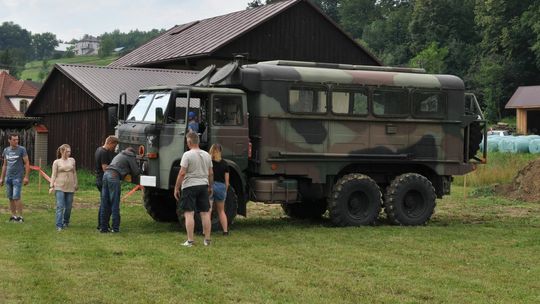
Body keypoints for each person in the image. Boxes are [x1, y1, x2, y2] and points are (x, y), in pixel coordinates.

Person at [174, 132, 213, 247]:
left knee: (189, 213)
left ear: (189, 142)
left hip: (190, 185)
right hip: (203, 185)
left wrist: (177, 187)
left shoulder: (187, 155)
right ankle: (207, 240)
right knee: (205, 213)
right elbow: (210, 173)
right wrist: (210, 186)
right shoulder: (207, 155)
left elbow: (182, 173)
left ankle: (190, 240)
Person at [99, 146, 140, 233]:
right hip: (114, 176)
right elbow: (136, 172)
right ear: (133, 153)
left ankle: (103, 228)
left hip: (105, 175)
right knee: (114, 203)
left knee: (105, 203)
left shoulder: (120, 154)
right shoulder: (130, 156)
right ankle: (115, 228)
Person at [0, 133, 30, 223]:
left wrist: (26, 177)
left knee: (16, 197)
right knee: (10, 197)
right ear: (9, 140)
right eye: (14, 140)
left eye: (17, 139)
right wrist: (1, 178)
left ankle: (20, 217)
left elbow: (27, 163)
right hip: (8, 177)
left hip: (17, 177)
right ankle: (13, 216)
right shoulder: (6, 150)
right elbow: (4, 165)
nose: (16, 141)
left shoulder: (22, 149)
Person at [49, 144, 78, 231]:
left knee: (68, 207)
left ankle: (66, 221)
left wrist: (76, 183)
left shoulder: (72, 160)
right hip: (59, 186)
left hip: (70, 186)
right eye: (67, 151)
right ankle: (59, 225)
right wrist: (51, 185)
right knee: (60, 206)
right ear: (62, 151)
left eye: (70, 151)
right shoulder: (56, 162)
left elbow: (74, 172)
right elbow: (53, 174)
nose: (69, 153)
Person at [95, 135, 118, 230]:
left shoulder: (98, 149)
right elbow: (105, 168)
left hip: (99, 179)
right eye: (114, 145)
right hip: (103, 180)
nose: (114, 148)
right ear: (110, 143)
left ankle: (101, 224)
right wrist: (115, 169)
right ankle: (103, 224)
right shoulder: (104, 152)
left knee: (104, 203)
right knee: (106, 204)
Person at [209, 144, 229, 235]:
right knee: (221, 211)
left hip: (211, 186)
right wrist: (225, 190)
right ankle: (225, 231)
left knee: (208, 211)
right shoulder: (225, 163)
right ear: (220, 151)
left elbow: (208, 175)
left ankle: (205, 231)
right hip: (221, 187)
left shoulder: (209, 162)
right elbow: (227, 182)